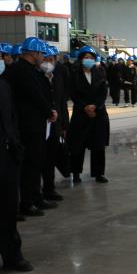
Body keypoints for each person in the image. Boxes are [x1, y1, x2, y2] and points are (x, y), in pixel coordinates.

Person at [8, 37, 57, 216]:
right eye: (41, 54)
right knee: (30, 164)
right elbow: (35, 96)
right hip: (29, 125)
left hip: (33, 123)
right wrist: (49, 112)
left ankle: (35, 197)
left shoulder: (27, 70)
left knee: (36, 163)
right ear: (34, 53)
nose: (43, 58)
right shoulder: (23, 71)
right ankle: (28, 203)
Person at [0, 59, 32, 271]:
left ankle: (12, 255)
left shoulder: (4, 85)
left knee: (8, 208)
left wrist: (15, 146)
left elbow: (12, 118)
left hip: (6, 155)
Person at [69, 46, 110, 184]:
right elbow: (73, 94)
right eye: (86, 57)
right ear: (81, 59)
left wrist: (95, 106)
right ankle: (76, 173)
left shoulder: (100, 73)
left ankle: (98, 174)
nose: (89, 60)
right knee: (78, 145)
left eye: (91, 58)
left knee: (98, 144)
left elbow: (103, 92)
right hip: (81, 114)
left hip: (98, 113)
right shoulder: (75, 75)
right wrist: (85, 107)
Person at [41, 46, 69, 201]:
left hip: (55, 125)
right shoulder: (37, 78)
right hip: (40, 125)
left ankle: (49, 189)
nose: (47, 62)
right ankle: (36, 191)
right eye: (44, 59)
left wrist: (64, 125)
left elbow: (62, 103)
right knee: (39, 159)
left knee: (51, 158)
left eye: (50, 59)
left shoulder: (57, 78)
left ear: (55, 61)